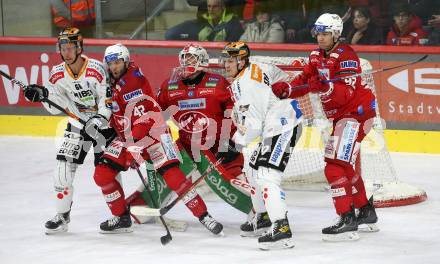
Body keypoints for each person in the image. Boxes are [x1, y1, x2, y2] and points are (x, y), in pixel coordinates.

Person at [270, 13, 379, 241]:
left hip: (355, 115)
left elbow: (345, 94)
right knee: (348, 166)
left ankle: (346, 217)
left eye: (325, 33)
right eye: (318, 33)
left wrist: (325, 88)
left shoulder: (347, 56)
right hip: (342, 117)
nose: (320, 38)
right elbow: (305, 79)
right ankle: (366, 211)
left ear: (336, 34)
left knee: (334, 166)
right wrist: (289, 89)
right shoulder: (316, 55)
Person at [94, 43, 223, 235]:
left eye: (118, 62)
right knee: (102, 174)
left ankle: (204, 216)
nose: (114, 67)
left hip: (155, 135)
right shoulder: (110, 81)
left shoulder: (133, 83)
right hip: (128, 138)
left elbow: (145, 121)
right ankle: (121, 217)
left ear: (126, 61)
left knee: (174, 177)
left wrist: (132, 149)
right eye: (110, 63)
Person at [22, 27, 114, 234]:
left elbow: (107, 102)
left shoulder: (97, 69)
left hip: (103, 126)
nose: (66, 52)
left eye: (71, 47)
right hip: (79, 124)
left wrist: (99, 120)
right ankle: (62, 216)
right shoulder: (56, 74)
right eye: (63, 48)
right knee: (61, 172)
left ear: (79, 47)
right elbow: (55, 107)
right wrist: (42, 95)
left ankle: (120, 215)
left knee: (109, 172)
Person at [152, 44, 253, 220]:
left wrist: (233, 143)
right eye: (183, 58)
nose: (185, 62)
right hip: (187, 146)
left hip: (219, 145)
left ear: (202, 61)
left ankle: (259, 212)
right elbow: (157, 113)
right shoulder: (170, 86)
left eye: (190, 58)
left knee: (235, 177)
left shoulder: (218, 83)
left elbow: (235, 114)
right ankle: (153, 200)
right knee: (169, 169)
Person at [221, 41, 303, 250]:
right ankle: (264, 216)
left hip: (282, 126)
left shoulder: (246, 84)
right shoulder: (257, 65)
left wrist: (235, 146)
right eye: (225, 59)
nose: (226, 64)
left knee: (267, 176)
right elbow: (281, 76)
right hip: (274, 125)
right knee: (252, 168)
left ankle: (281, 227)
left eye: (230, 60)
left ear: (241, 61)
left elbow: (253, 126)